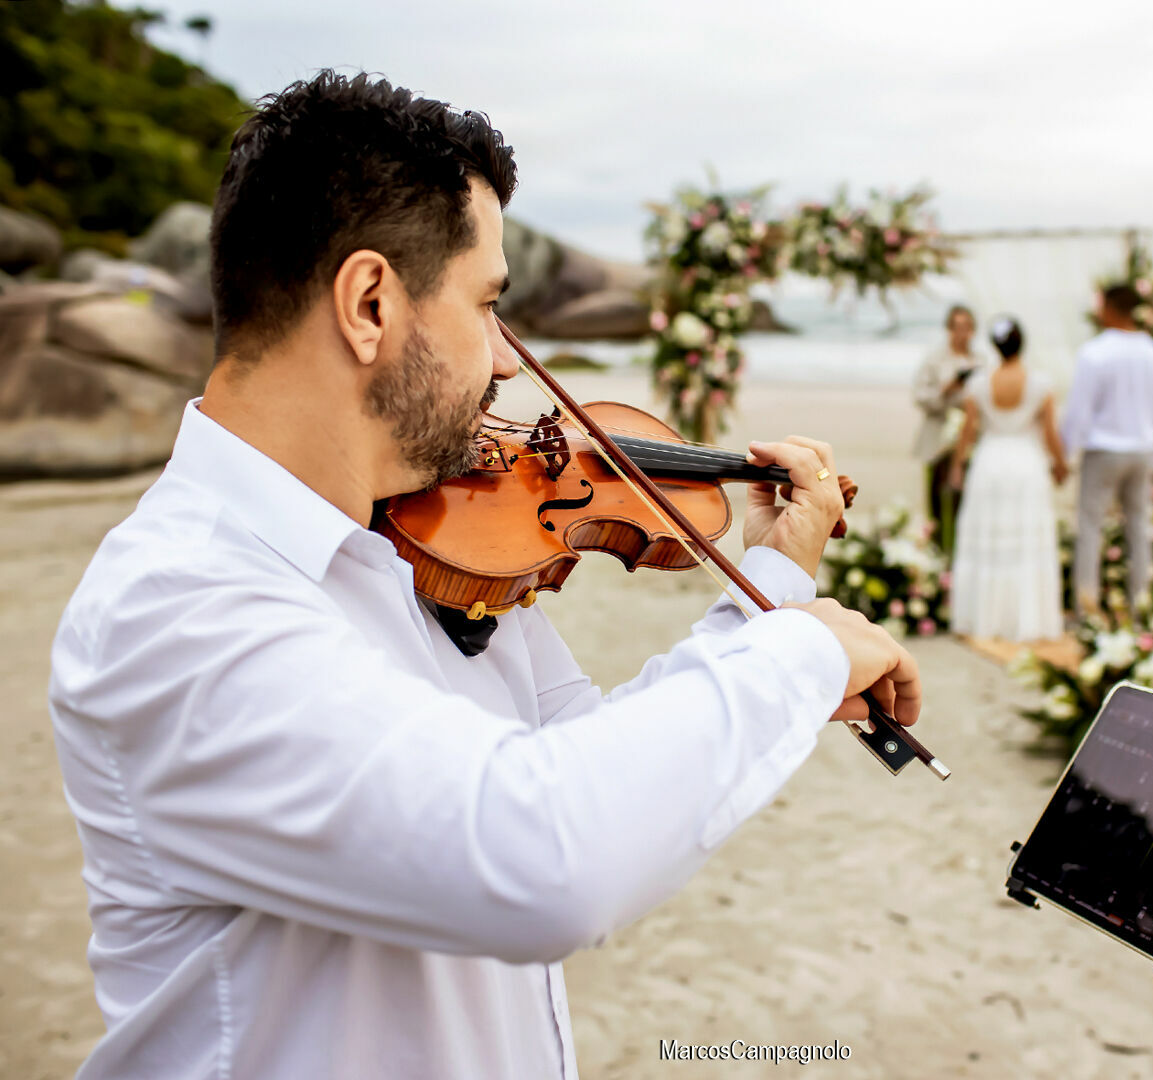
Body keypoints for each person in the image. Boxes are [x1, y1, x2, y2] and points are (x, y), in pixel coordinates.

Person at [47, 72, 924, 1080]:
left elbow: (590, 772)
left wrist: (770, 580)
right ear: (370, 304)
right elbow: (542, 858)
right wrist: (801, 651)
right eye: (487, 306)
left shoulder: (431, 552)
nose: (510, 363)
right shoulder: (177, 609)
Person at [946, 317, 1068, 640]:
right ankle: (1025, 621)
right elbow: (1050, 433)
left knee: (988, 543)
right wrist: (1061, 464)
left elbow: (968, 431)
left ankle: (985, 619)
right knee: (1026, 544)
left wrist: (958, 465)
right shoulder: (1041, 383)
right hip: (1027, 466)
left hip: (989, 463)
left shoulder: (979, 383)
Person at [1060, 283, 1153, 617]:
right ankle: (1142, 605)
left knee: (1090, 528)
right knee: (1139, 529)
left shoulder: (1095, 352)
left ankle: (1087, 609)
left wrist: (1067, 453)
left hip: (1104, 449)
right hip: (1143, 449)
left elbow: (1079, 411)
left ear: (1110, 308)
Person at [911, 303, 981, 555]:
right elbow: (919, 396)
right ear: (949, 329)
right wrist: (946, 390)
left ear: (973, 330)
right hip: (939, 438)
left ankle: (964, 552)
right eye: (957, 327)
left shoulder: (981, 360)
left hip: (971, 440)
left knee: (969, 501)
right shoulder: (935, 359)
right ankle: (938, 552)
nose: (962, 333)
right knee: (937, 501)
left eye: (967, 327)